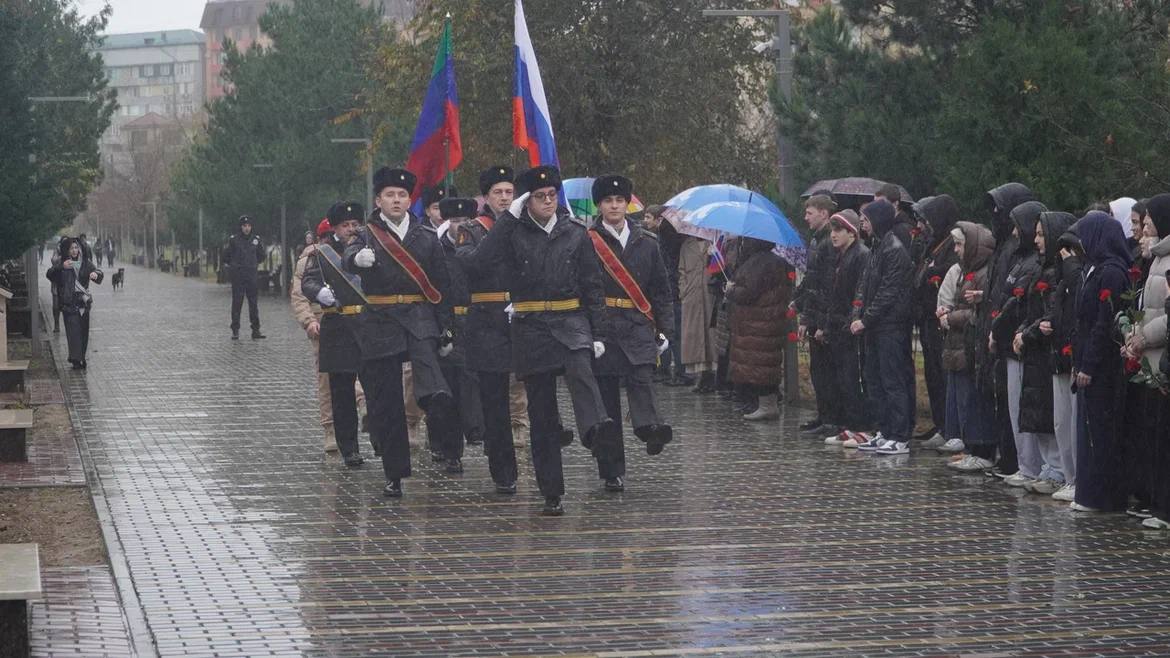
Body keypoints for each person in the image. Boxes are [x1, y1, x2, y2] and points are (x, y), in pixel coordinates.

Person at [457, 164, 616, 516]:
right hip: (530, 324)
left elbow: (593, 285)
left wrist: (599, 332)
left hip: (569, 317)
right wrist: (508, 220)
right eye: (538, 196)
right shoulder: (512, 232)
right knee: (541, 412)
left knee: (580, 367)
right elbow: (478, 264)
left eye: (551, 195)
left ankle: (594, 429)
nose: (547, 201)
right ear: (526, 202)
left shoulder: (574, 232)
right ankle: (551, 491)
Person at [345, 166, 461, 497]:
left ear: (409, 200)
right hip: (381, 318)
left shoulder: (425, 235)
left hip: (418, 313)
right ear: (378, 200)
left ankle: (433, 399)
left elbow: (441, 284)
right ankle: (394, 473)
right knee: (387, 401)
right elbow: (348, 257)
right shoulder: (366, 234)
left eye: (402, 195)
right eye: (389, 195)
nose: (396, 200)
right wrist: (357, 259)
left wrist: (447, 328)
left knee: (427, 361)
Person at [587, 175, 675, 491]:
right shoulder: (588, 241)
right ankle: (611, 471)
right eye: (608, 201)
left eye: (620, 200)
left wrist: (665, 330)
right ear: (600, 205)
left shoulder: (646, 241)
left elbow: (661, 291)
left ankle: (650, 429)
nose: (614, 206)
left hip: (638, 323)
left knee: (642, 379)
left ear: (628, 204)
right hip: (604, 326)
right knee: (606, 401)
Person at [1070, 211, 1132, 513]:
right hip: (1086, 357)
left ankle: (1102, 494)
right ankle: (1088, 490)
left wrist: (1088, 365)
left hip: (1103, 366)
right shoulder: (1093, 268)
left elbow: (1103, 322)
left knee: (1101, 431)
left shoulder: (1112, 272)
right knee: (1088, 428)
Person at [301, 204, 370, 467]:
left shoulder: (372, 246)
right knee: (341, 393)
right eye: (345, 225)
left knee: (376, 386)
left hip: (368, 323)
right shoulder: (322, 254)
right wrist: (319, 293)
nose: (351, 229)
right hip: (339, 324)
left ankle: (381, 440)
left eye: (355, 224)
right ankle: (349, 447)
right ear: (335, 228)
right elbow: (308, 281)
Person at [990, 200, 1052, 490]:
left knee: (1030, 409)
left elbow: (1022, 303)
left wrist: (1013, 330)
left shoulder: (1034, 264)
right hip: (1013, 338)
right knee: (1018, 408)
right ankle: (1028, 466)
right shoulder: (1021, 259)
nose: (1016, 233)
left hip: (1025, 342)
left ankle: (1037, 467)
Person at [1014, 210, 1076, 495]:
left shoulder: (1055, 272)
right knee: (1040, 410)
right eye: (1036, 233)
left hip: (1045, 348)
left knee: (1051, 411)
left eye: (1042, 234)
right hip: (1035, 348)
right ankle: (1046, 467)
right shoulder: (1042, 267)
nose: (1037, 240)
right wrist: (1022, 332)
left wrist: (1028, 333)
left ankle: (1057, 469)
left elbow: (1051, 313)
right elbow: (1032, 309)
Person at [977, 182, 1036, 477]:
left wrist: (997, 329)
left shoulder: (1016, 248)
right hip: (997, 329)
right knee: (1001, 397)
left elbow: (1012, 294)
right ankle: (1008, 458)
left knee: (1010, 400)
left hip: (1008, 333)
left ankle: (1014, 461)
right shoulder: (1003, 245)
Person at [850, 199, 915, 455]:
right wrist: (858, 312)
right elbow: (865, 286)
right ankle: (884, 430)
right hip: (874, 327)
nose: (862, 224)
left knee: (892, 380)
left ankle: (899, 435)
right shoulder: (877, 247)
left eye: (865, 219)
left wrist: (867, 318)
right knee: (874, 379)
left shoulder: (894, 249)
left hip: (890, 326)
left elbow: (888, 292)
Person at [1122, 193, 1170, 528]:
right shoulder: (1154, 260)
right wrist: (1131, 334)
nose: (1145, 226)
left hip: (1159, 355)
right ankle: (1154, 501)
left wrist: (1144, 336)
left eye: (1150, 219)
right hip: (1148, 360)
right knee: (1151, 433)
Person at [475, 165, 531, 447]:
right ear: (486, 197)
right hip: (487, 315)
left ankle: (519, 421)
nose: (505, 197)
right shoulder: (473, 229)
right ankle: (495, 433)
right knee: (495, 381)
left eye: (510, 192)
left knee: (520, 374)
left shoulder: (525, 227)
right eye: (498, 192)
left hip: (519, 307)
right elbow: (474, 264)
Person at [938, 222, 998, 471]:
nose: (956, 250)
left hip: (970, 344)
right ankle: (970, 446)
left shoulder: (982, 272)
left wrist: (950, 318)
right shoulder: (965, 270)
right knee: (962, 400)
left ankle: (979, 448)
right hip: (960, 345)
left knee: (971, 400)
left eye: (960, 244)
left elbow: (977, 312)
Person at [429, 196, 484, 460]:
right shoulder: (435, 250)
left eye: (465, 221)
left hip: (473, 321)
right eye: (454, 221)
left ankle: (474, 429)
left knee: (471, 380)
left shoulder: (478, 247)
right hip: (446, 321)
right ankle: (447, 448)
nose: (459, 226)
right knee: (447, 385)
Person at [726, 237, 794, 421]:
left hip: (757, 323)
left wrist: (730, 289)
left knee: (759, 365)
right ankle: (767, 403)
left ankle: (765, 405)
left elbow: (747, 293)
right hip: (770, 320)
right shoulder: (779, 262)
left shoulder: (758, 263)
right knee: (767, 363)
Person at [816, 210, 870, 443]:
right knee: (842, 379)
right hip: (837, 326)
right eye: (832, 230)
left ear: (852, 232)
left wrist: (851, 320)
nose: (834, 235)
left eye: (838, 230)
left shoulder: (860, 255)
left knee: (852, 377)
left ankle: (860, 425)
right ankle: (849, 423)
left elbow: (859, 292)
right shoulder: (840, 255)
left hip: (849, 327)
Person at [911, 195, 961, 445]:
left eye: (928, 221)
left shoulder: (951, 244)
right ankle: (940, 422)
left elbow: (950, 274)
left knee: (942, 375)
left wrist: (932, 273)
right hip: (927, 318)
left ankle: (949, 426)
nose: (923, 226)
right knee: (932, 374)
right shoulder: (933, 243)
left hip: (939, 319)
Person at [793, 195, 838, 437]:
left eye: (810, 213)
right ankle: (823, 415)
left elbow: (825, 285)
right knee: (817, 370)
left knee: (825, 371)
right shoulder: (817, 240)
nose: (806, 217)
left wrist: (815, 320)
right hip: (814, 310)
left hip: (822, 314)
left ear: (823, 213)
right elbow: (811, 279)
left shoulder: (827, 243)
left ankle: (830, 419)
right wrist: (799, 301)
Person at [643, 206, 691, 387]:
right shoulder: (662, 238)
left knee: (673, 334)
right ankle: (670, 370)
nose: (645, 221)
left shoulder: (666, 237)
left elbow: (667, 267)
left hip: (671, 293)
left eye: (648, 217)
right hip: (670, 292)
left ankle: (678, 372)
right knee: (667, 334)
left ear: (659, 219)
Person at [46, 237, 103, 369]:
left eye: (76, 247)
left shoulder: (85, 263)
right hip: (69, 305)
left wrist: (95, 274)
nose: (74, 250)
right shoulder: (63, 263)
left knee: (83, 333)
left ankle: (80, 357)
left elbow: (99, 273)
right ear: (67, 250)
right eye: (71, 248)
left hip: (83, 304)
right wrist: (61, 267)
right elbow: (49, 274)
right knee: (73, 334)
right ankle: (76, 359)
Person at [678, 234, 718, 391]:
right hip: (692, 294)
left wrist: (713, 256)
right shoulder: (686, 245)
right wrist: (683, 291)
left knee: (711, 334)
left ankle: (713, 375)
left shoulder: (714, 243)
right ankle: (701, 375)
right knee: (694, 335)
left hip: (710, 294)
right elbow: (681, 270)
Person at [222, 215, 266, 340]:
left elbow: (261, 256)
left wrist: (252, 264)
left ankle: (255, 330)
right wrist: (235, 267)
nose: (247, 228)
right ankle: (235, 330)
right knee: (237, 303)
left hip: (251, 276)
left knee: (253, 304)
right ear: (241, 227)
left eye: (248, 226)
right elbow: (226, 256)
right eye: (244, 226)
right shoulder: (234, 240)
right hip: (238, 277)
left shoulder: (255, 240)